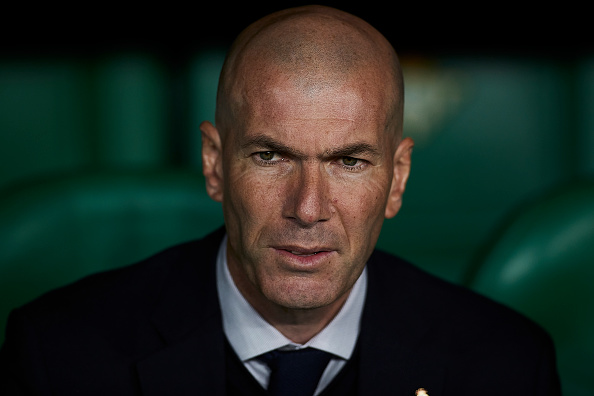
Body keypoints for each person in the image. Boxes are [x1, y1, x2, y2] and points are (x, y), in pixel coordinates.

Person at [0, 5, 561, 395]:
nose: (308, 208)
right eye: (270, 157)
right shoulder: (61, 358)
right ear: (215, 165)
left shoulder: (505, 365)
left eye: (348, 162)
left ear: (397, 179)